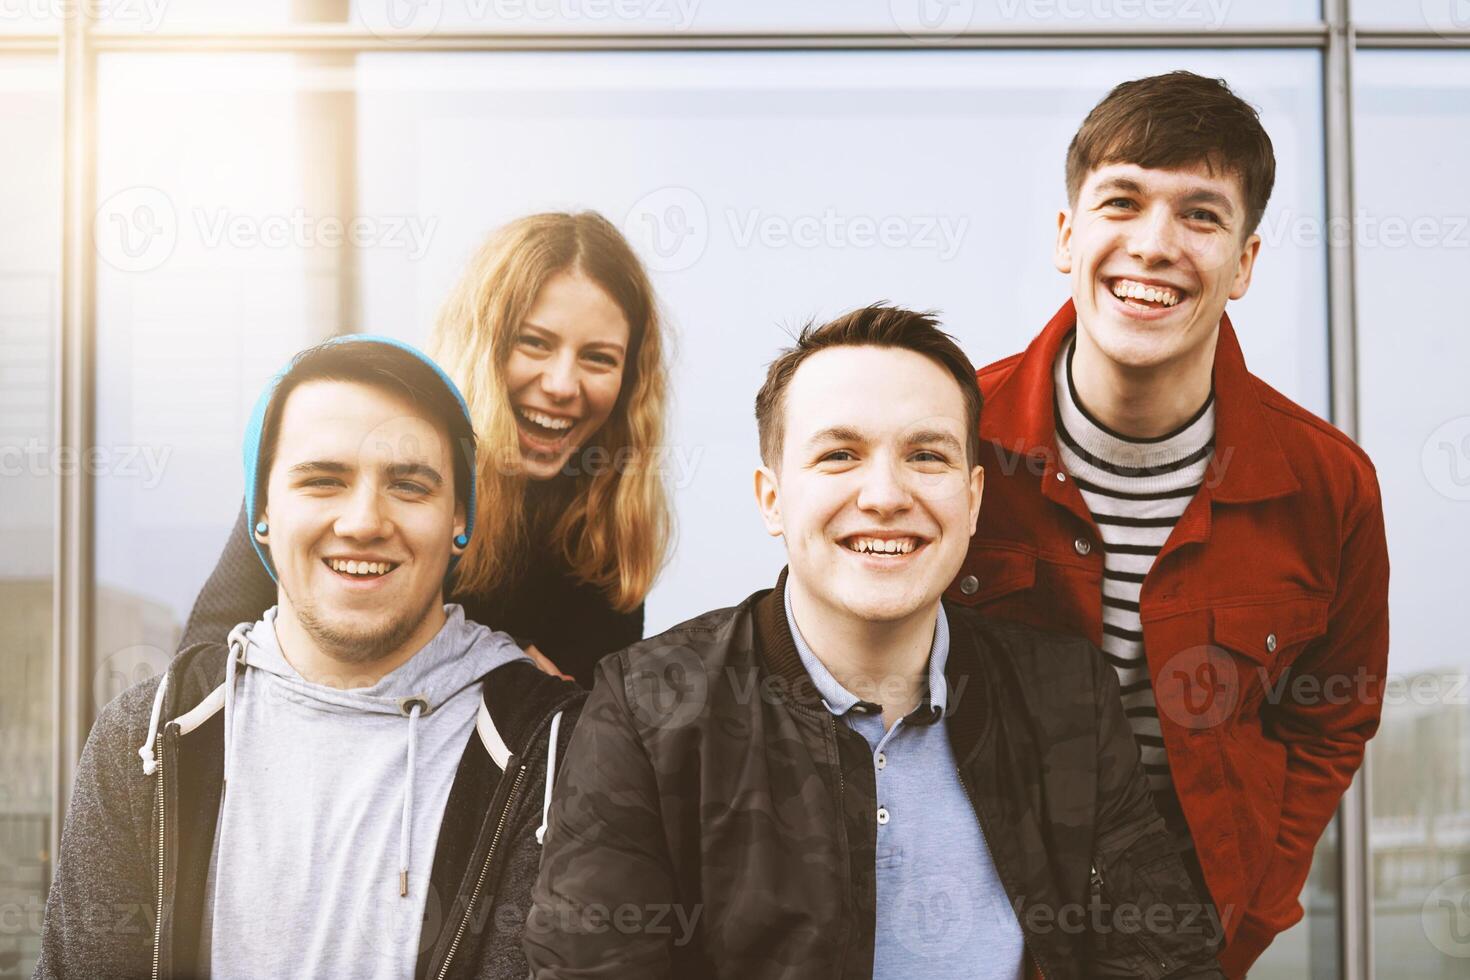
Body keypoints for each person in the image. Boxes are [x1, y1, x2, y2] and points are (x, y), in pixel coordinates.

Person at [524, 305, 1223, 980]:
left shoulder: (1067, 696)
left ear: (973, 499)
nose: (885, 495)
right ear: (772, 498)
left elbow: (1167, 960)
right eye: (839, 455)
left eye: (925, 455)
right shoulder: (646, 709)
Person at [948, 71, 1390, 975]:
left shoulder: (1326, 485)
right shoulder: (952, 438)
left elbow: (1333, 715)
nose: (1153, 246)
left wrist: (1251, 908)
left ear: (1245, 265)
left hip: (1185, 936)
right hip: (967, 919)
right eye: (1122, 201)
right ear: (1068, 236)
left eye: (1200, 215)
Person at [36, 337, 583, 979]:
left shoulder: (551, 752)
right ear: (262, 512)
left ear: (459, 517)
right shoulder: (148, 740)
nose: (362, 521)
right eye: (323, 480)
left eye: (408, 485)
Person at [181, 211, 673, 685]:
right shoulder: (350, 458)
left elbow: (592, 733)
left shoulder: (609, 516)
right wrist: (488, 660)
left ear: (629, 379)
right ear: (481, 345)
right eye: (534, 343)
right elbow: (202, 666)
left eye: (598, 358)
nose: (564, 384)